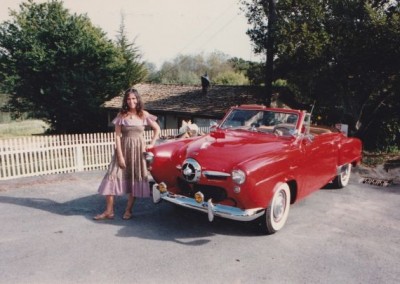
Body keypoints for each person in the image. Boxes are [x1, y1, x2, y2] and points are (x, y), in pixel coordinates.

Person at [94, 88, 160, 220]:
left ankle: (128, 210)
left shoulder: (144, 114)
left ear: (138, 99)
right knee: (111, 177)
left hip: (138, 151)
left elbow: (157, 129)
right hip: (123, 150)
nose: (131, 101)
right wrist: (120, 156)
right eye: (129, 99)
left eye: (134, 98)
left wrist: (152, 144)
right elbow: (117, 137)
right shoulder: (121, 116)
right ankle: (109, 211)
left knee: (134, 180)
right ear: (126, 101)